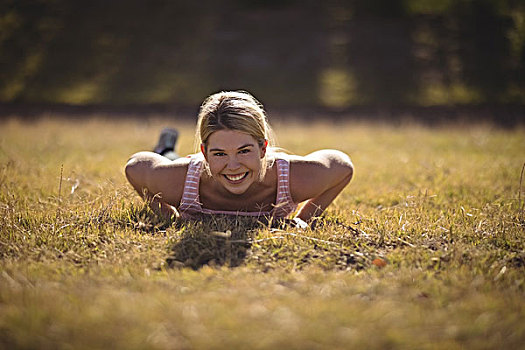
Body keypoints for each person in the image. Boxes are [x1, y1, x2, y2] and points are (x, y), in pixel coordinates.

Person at [125, 91, 353, 228]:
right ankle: (166, 146)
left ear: (263, 148)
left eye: (244, 151)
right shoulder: (180, 181)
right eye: (220, 154)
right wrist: (170, 216)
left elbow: (342, 166)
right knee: (168, 157)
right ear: (204, 154)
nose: (233, 166)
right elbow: (136, 166)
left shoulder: (291, 179)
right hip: (183, 165)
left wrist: (306, 218)